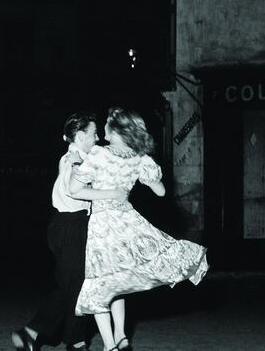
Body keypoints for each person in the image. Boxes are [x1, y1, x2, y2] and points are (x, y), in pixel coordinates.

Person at [69, 107, 209, 351]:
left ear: (115, 131)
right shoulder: (140, 158)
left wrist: (110, 191)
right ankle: (121, 338)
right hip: (128, 222)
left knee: (102, 283)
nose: (103, 130)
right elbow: (161, 191)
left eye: (107, 126)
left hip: (104, 226)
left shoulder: (99, 154)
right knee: (119, 281)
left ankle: (110, 345)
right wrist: (135, 175)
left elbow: (75, 190)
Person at [12, 113, 129, 351]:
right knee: (78, 286)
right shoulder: (73, 160)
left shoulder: (81, 157)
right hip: (70, 226)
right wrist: (113, 194)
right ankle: (74, 342)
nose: (97, 137)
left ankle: (33, 334)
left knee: (69, 285)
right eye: (93, 133)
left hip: (72, 225)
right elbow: (77, 191)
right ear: (80, 136)